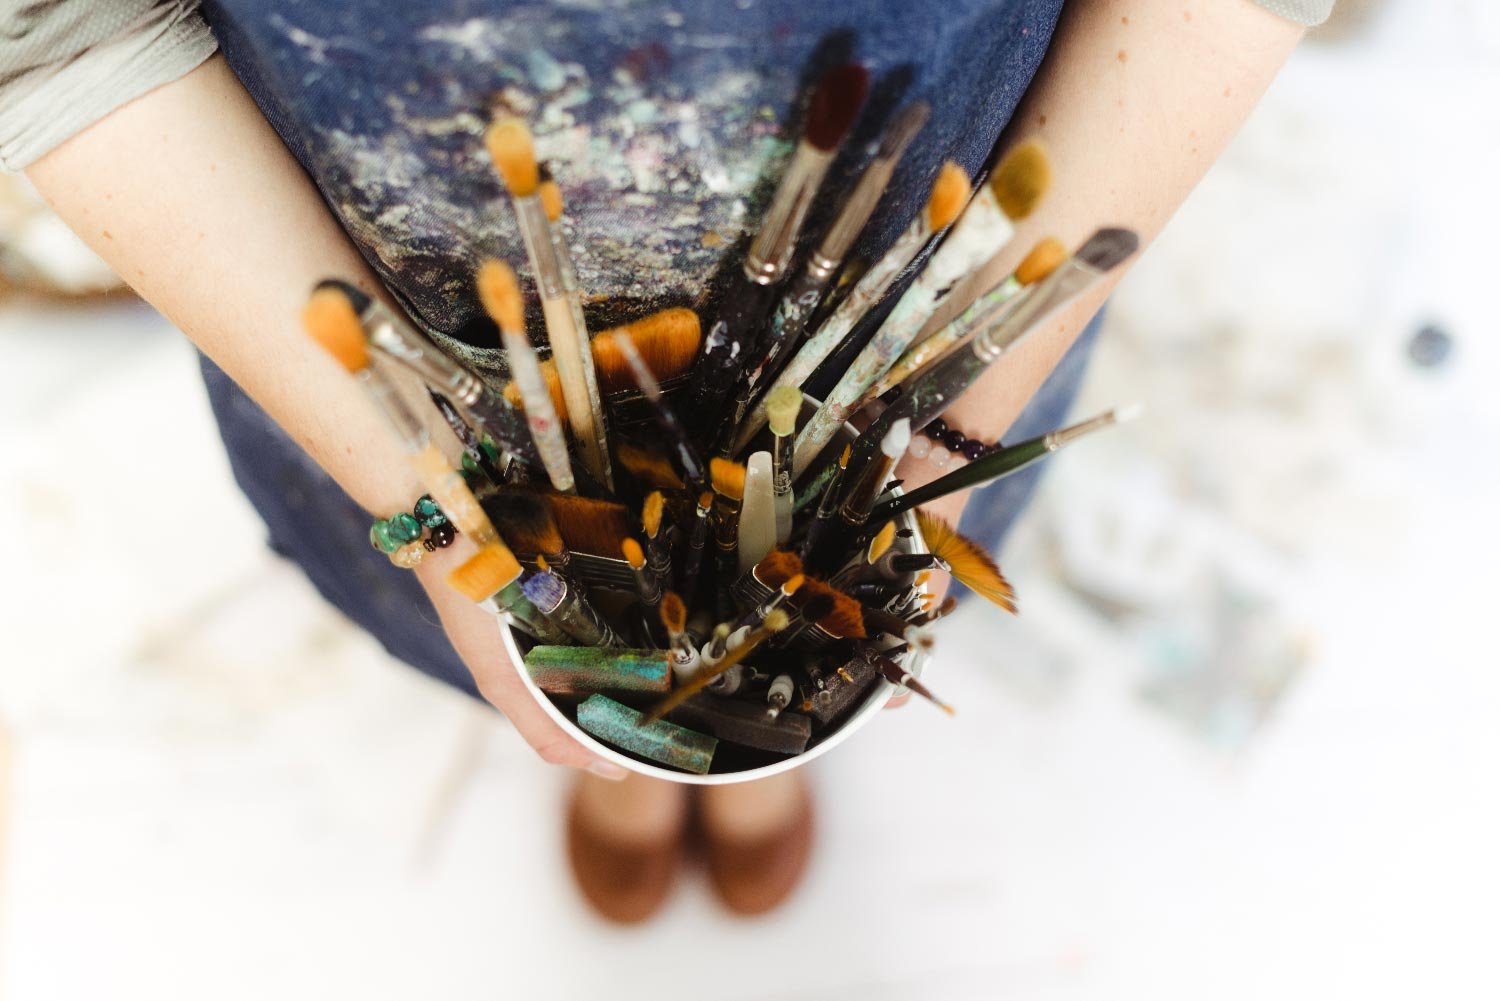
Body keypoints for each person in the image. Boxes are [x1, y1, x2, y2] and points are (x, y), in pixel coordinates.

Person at [2, 0, 1328, 923]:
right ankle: (625, 760)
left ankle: (773, 743)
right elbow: (56, 31)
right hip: (396, 386)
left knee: (822, 635)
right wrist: (424, 508)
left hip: (922, 357)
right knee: (572, 674)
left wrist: (961, 418)